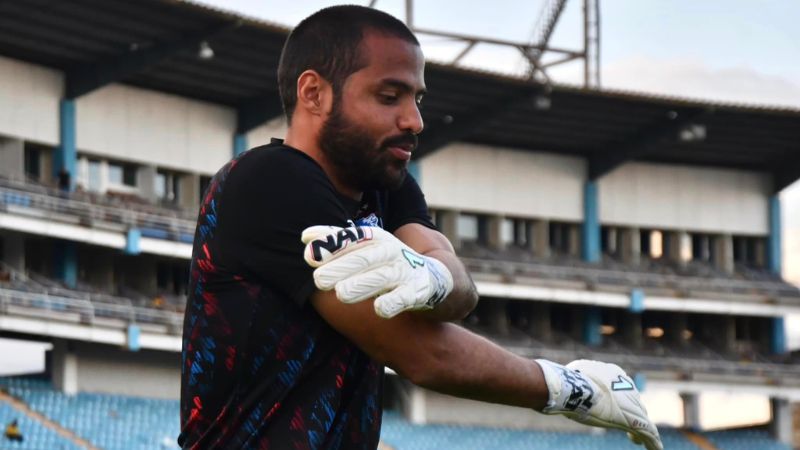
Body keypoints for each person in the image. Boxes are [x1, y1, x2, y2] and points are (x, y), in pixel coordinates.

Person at [178, 5, 663, 450]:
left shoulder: (383, 184)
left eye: (417, 98)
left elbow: (459, 286)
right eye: (390, 96)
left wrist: (430, 277)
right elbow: (423, 353)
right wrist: (569, 388)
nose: (414, 120)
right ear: (314, 93)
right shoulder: (269, 181)